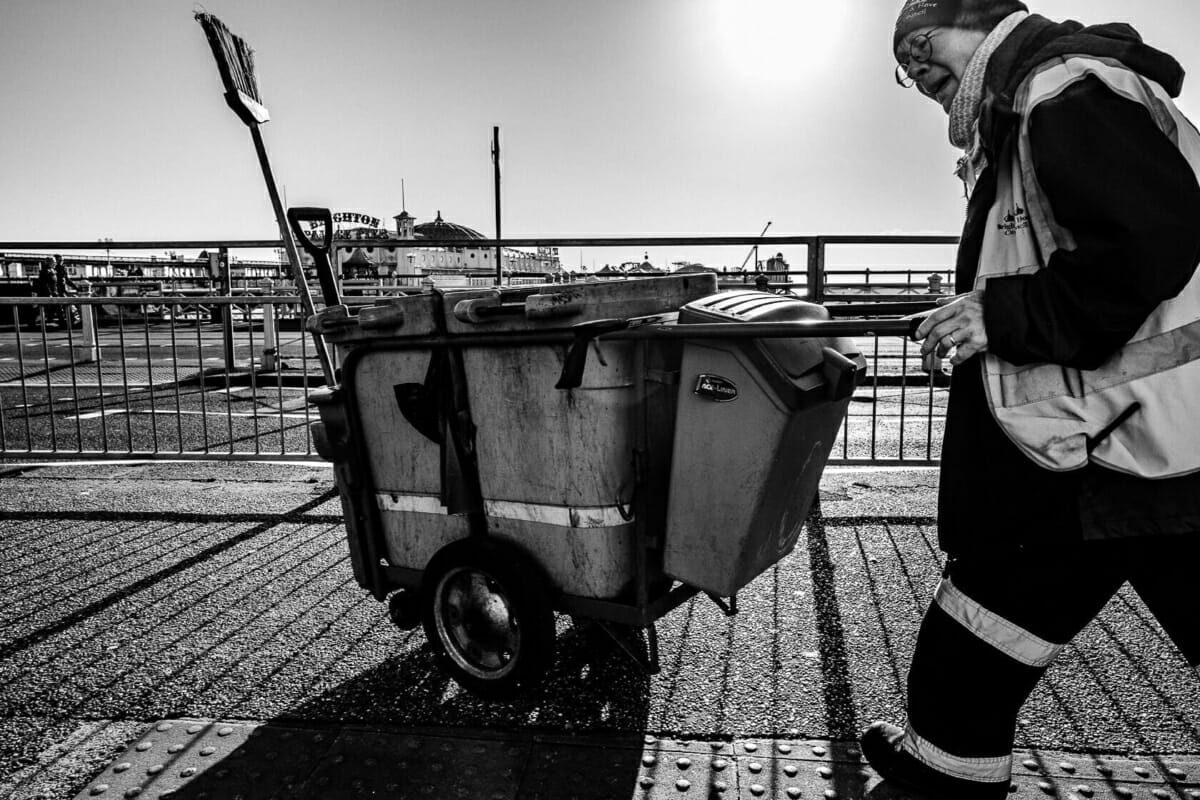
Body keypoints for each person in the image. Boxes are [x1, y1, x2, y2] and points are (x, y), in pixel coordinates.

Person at [862, 2, 1200, 798]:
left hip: (1114, 448)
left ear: (980, 22)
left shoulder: (1062, 94)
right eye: (903, 67)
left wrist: (1002, 313)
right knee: (981, 622)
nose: (915, 75)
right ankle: (946, 768)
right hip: (1131, 442)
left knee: (978, 624)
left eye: (921, 47)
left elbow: (1150, 242)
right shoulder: (1038, 106)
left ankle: (948, 773)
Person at [52, 255, 81, 327]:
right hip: (61, 289)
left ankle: (63, 320)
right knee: (66, 304)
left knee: (60, 306)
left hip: (56, 289)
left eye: (62, 260)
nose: (61, 262)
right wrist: (75, 287)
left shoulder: (52, 269)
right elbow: (66, 279)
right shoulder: (61, 268)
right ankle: (71, 320)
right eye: (60, 260)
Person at [32, 258, 57, 327]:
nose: (55, 263)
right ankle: (38, 322)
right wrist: (49, 293)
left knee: (45, 308)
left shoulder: (51, 270)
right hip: (46, 293)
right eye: (54, 262)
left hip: (50, 292)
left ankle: (42, 321)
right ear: (50, 263)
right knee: (44, 307)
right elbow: (45, 284)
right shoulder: (45, 271)